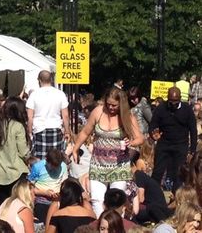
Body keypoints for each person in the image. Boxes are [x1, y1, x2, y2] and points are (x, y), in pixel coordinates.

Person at [72, 87, 143, 217]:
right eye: (108, 104)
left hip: (119, 166)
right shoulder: (98, 112)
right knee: (97, 201)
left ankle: (116, 228)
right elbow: (85, 131)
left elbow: (140, 138)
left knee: (117, 201)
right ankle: (101, 227)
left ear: (120, 104)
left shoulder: (126, 116)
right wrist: (75, 148)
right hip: (98, 165)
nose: (110, 108)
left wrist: (130, 143)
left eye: (114, 105)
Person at [0, 96, 30, 207]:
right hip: (16, 173)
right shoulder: (17, 126)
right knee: (18, 206)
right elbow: (24, 152)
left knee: (3, 206)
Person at [150, 86, 197, 192]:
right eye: (171, 102)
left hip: (181, 144)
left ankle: (176, 198)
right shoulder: (161, 108)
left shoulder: (187, 109)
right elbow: (153, 125)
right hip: (164, 144)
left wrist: (192, 149)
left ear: (180, 99)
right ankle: (154, 194)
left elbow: (193, 130)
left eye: (175, 102)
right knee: (158, 171)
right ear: (167, 98)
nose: (173, 105)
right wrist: (153, 133)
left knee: (178, 173)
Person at [26, 70, 70, 160]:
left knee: (40, 160)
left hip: (39, 130)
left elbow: (29, 117)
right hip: (56, 129)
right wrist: (67, 131)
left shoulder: (34, 95)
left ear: (39, 80)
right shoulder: (60, 94)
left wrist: (29, 132)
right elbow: (65, 116)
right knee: (56, 160)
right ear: (51, 80)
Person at [130, 151, 171, 224]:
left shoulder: (138, 176)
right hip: (156, 208)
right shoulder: (141, 175)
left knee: (132, 216)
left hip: (156, 209)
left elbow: (141, 199)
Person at [28, 148, 68, 222]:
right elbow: (29, 188)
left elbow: (65, 184)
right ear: (46, 160)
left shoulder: (63, 166)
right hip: (40, 201)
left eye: (57, 167)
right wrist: (45, 193)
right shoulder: (37, 167)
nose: (54, 169)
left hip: (57, 201)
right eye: (52, 166)